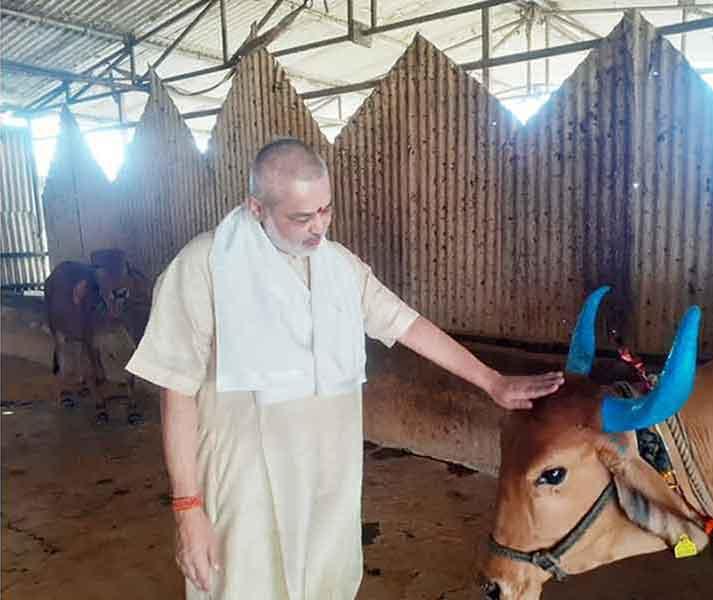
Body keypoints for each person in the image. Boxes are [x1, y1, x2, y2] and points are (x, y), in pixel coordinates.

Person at [126, 138, 564, 600]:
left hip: (326, 481)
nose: (318, 229)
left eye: (326, 211)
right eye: (301, 217)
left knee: (325, 584)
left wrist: (491, 380)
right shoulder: (205, 265)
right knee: (244, 584)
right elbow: (176, 390)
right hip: (243, 486)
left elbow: (406, 323)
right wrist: (188, 510)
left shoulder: (337, 267)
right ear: (256, 207)